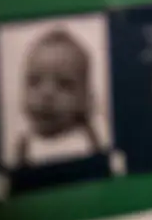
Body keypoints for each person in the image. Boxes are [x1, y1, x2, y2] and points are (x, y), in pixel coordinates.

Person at [12, 29, 101, 168]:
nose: (46, 95)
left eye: (64, 84)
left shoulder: (86, 144)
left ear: (85, 99)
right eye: (34, 81)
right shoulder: (22, 148)